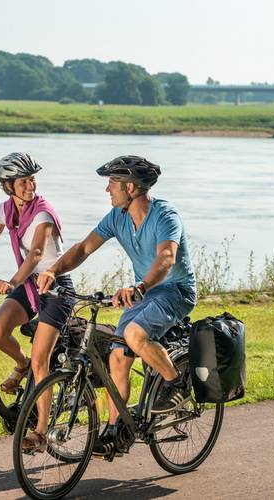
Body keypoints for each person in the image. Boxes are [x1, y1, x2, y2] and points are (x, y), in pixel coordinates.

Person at [37, 155, 197, 454]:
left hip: (175, 291)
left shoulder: (165, 216)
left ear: (132, 188)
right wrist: (53, 270)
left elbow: (166, 258)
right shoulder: (117, 217)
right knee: (117, 356)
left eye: (112, 183)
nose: (107, 190)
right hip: (146, 295)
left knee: (135, 335)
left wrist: (140, 286)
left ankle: (176, 385)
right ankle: (116, 432)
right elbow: (83, 248)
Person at [0, 152, 75, 451]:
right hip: (27, 284)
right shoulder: (5, 210)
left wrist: (11, 282)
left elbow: (37, 254)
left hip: (54, 287)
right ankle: (19, 364)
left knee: (42, 362)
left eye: (32, 179)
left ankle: (40, 431)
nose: (30, 185)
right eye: (23, 181)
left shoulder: (43, 213)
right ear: (7, 185)